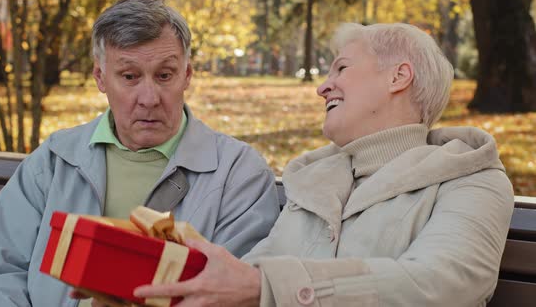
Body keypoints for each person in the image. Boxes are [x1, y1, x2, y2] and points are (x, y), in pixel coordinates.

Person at [131, 23, 515, 307]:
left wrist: (269, 287)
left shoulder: (471, 181)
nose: (322, 87)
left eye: (341, 69)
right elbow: (247, 278)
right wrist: (152, 292)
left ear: (399, 76)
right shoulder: (316, 184)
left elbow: (442, 284)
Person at [0, 0, 280, 307]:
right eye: (130, 77)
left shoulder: (238, 174)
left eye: (164, 75)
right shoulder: (54, 160)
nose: (149, 98)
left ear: (186, 75)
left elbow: (238, 293)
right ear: (101, 78)